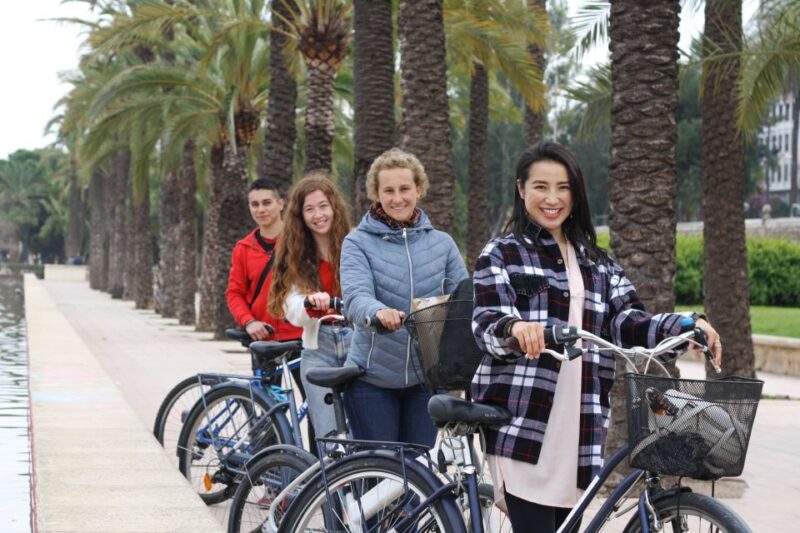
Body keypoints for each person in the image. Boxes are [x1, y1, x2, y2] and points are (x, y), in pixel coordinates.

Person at [470, 141, 722, 533]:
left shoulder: (597, 262)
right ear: (521, 190)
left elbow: (629, 322)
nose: (552, 198)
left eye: (563, 187)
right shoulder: (501, 253)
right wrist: (515, 329)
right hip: (523, 424)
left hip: (581, 425)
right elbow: (487, 321)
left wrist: (687, 324)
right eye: (540, 186)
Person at [341, 148, 468, 447]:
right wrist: (378, 312)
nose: (397, 198)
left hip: (425, 379)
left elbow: (465, 296)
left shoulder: (443, 244)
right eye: (388, 191)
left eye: (404, 189)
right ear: (376, 193)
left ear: (419, 189)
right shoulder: (357, 242)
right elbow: (357, 296)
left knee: (416, 476)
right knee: (379, 474)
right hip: (370, 378)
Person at [268, 173, 352, 441]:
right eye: (309, 209)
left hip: (358, 345)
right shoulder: (296, 254)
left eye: (323, 206)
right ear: (300, 216)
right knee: (330, 438)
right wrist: (310, 304)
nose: (318, 215)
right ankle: (333, 484)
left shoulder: (354, 245)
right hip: (319, 349)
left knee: (362, 434)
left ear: (334, 207)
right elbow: (291, 306)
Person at [225, 178, 302, 342]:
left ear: (281, 204)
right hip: (262, 338)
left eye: (267, 203)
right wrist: (249, 321)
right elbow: (235, 293)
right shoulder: (243, 249)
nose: (261, 209)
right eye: (255, 204)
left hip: (300, 336)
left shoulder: (301, 242)